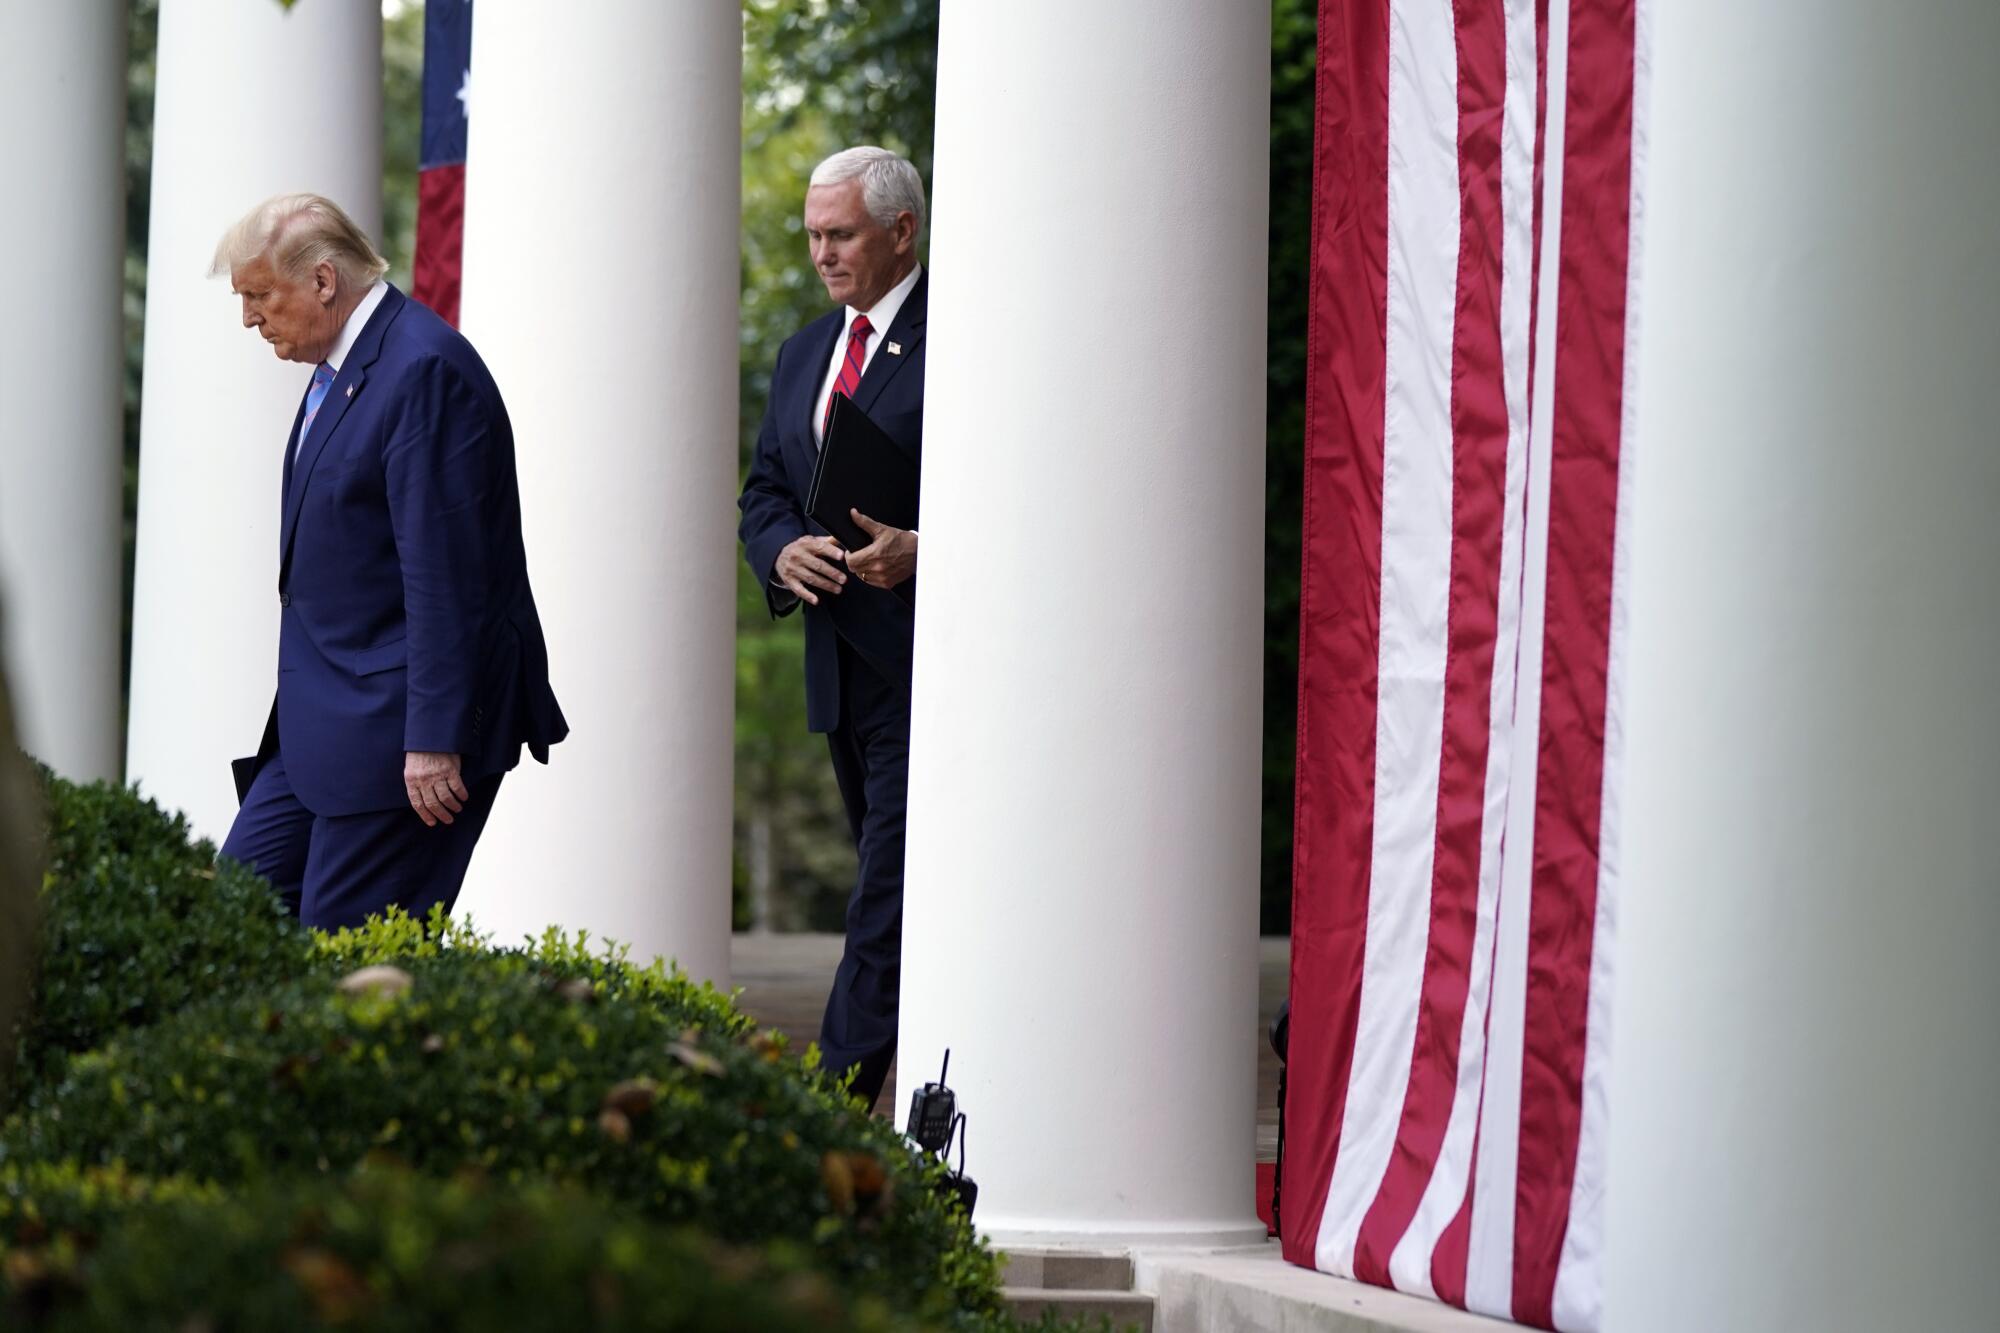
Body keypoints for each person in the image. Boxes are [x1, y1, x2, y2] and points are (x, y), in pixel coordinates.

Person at [214, 193, 565, 929]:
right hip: (323, 724)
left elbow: (447, 578)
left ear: (321, 281)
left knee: (350, 969)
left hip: (404, 738)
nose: (248, 317)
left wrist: (436, 741)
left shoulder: (423, 371)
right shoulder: (342, 362)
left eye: (258, 295)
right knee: (230, 920)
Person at [739, 147, 927, 1110]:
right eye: (812, 235)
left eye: (839, 233)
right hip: (838, 671)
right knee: (891, 887)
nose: (821, 253)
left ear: (901, 233)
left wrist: (924, 547)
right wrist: (779, 552)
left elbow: (1026, 502)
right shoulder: (803, 353)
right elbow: (766, 492)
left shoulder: (962, 335)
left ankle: (828, 1112)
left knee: (883, 900)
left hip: (926, 670)